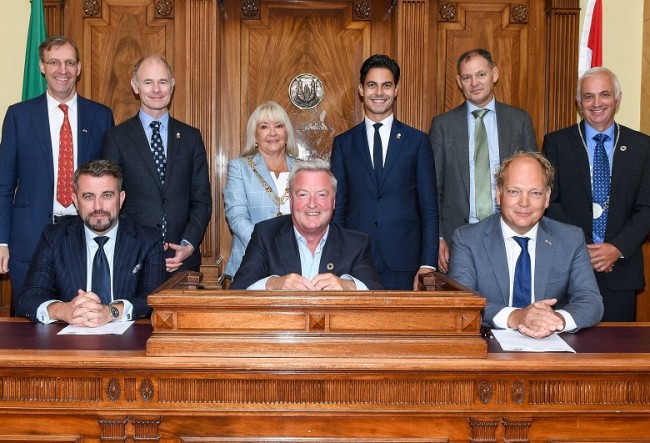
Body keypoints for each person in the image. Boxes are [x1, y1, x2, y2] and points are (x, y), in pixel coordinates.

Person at [0, 36, 114, 300]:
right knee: (31, 317)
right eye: (54, 62)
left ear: (79, 68)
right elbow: (4, 184)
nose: (63, 70)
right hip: (29, 241)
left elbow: (111, 182)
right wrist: (1, 241)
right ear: (42, 66)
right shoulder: (19, 116)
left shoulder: (101, 116)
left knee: (82, 317)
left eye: (69, 63)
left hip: (84, 239)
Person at [448, 152, 603, 338]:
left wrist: (554, 320)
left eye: (535, 193)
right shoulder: (467, 240)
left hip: (552, 344)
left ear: (547, 197)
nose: (524, 203)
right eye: (514, 192)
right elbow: (463, 303)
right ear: (498, 194)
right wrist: (517, 317)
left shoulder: (570, 239)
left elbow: (591, 301)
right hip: (488, 345)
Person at [542, 67, 650, 322]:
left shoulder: (642, 146)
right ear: (578, 102)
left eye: (605, 94)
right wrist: (584, 248)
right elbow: (549, 203)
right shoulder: (557, 143)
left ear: (618, 99)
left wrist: (616, 248)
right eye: (588, 96)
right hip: (569, 269)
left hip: (621, 271)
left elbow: (647, 207)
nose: (597, 103)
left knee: (618, 345)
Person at [330, 54, 438, 290]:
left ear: (396, 90)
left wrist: (428, 264)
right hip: (354, 261)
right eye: (372, 85)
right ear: (361, 89)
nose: (379, 92)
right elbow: (337, 208)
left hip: (405, 262)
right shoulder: (344, 144)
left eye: (386, 85)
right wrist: (335, 260)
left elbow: (429, 208)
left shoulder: (417, 141)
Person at [16, 160, 167, 326]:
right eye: (89, 197)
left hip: (129, 337)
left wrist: (111, 312)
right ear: (75, 200)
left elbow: (154, 299)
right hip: (69, 337)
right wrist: (64, 310)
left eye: (107, 195)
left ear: (121, 198)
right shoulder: (54, 238)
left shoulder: (148, 239)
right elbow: (29, 297)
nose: (98, 207)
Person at [428, 48, 537, 273]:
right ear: (459, 82)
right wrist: (437, 237)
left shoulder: (519, 120)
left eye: (480, 74)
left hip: (511, 232)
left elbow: (535, 182)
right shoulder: (443, 126)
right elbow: (433, 188)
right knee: (463, 295)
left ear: (494, 74)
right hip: (458, 237)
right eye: (467, 77)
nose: (474, 83)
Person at [102, 55, 212, 275]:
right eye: (148, 82)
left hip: (183, 263)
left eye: (162, 82)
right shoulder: (116, 138)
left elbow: (201, 200)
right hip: (133, 260)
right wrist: (139, 247)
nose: (156, 89)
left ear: (172, 85)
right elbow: (110, 200)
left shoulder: (191, 138)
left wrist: (188, 245)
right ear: (135, 86)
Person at [231, 159, 382, 291]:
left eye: (321, 195)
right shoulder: (265, 235)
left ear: (334, 202)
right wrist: (273, 284)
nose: (312, 204)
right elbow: (238, 289)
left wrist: (347, 286)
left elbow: (376, 293)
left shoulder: (356, 244)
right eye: (303, 195)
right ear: (291, 201)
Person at [223, 101, 300, 279]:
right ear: (255, 135)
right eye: (264, 127)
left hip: (297, 264)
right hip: (251, 263)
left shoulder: (303, 169)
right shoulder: (239, 167)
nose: (272, 132)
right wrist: (269, 249)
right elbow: (237, 217)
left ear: (287, 132)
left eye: (278, 126)